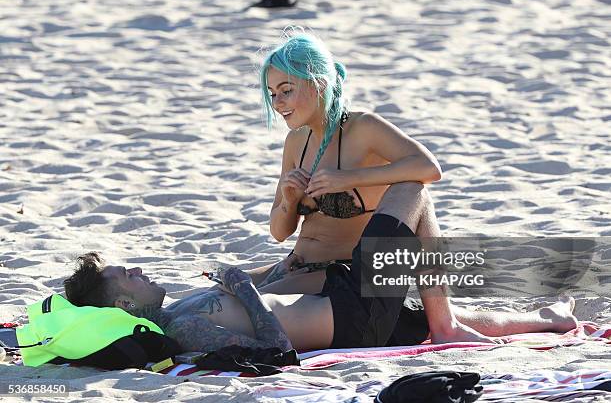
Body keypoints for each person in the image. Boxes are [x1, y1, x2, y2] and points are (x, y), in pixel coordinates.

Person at [248, 31, 497, 343]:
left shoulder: (362, 128)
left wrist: (349, 179)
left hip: (337, 275)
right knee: (215, 292)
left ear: (319, 83)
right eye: (272, 94)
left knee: (242, 307)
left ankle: (453, 322)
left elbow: (429, 169)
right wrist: (288, 201)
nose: (278, 102)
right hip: (295, 265)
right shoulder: (296, 140)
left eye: (286, 90)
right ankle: (541, 318)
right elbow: (279, 232)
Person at [63, 208, 578, 353]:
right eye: (123, 276)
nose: (135, 269)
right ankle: (445, 324)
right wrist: (241, 285)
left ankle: (546, 321)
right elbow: (274, 349)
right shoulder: (183, 333)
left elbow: (260, 296)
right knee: (412, 190)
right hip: (354, 319)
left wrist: (284, 269)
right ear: (125, 307)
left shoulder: (181, 311)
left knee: (429, 317)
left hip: (343, 303)